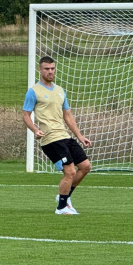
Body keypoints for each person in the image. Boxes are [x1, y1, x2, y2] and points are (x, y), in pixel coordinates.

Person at [23, 55, 92, 214]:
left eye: (52, 68)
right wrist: (35, 129)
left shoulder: (60, 90)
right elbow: (26, 114)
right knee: (70, 172)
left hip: (65, 136)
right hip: (50, 139)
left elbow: (67, 115)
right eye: (46, 69)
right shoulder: (33, 92)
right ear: (40, 70)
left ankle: (64, 197)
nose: (50, 72)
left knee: (85, 166)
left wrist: (80, 136)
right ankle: (61, 207)